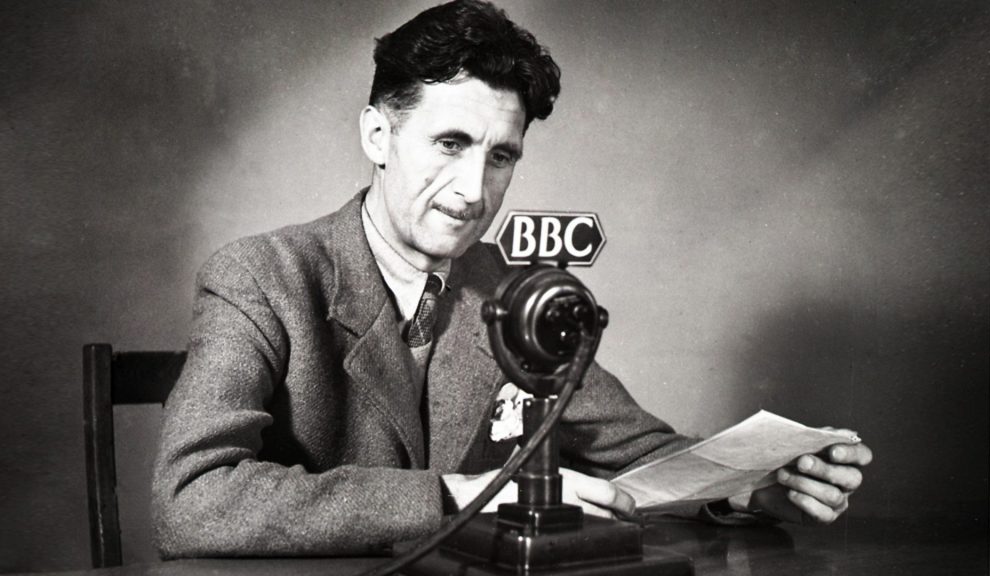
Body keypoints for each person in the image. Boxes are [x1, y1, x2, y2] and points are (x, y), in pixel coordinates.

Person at [152, 0, 872, 559]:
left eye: (501, 157)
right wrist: (459, 496)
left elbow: (637, 453)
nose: (474, 191)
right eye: (450, 143)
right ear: (378, 135)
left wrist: (744, 487)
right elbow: (191, 499)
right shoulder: (261, 276)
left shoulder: (513, 294)